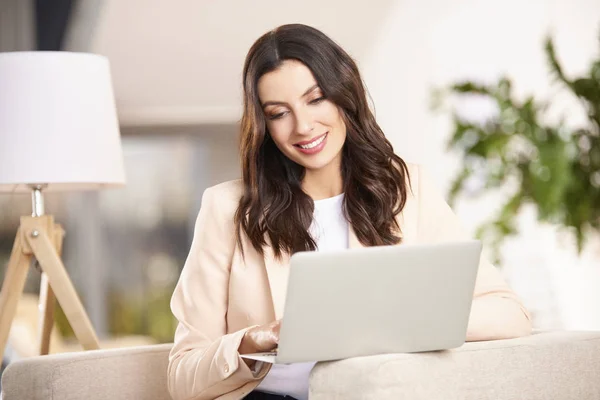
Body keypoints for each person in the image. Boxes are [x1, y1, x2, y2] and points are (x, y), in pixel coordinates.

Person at [167, 23, 532, 400]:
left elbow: (509, 313)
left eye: (316, 99)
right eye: (279, 113)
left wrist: (394, 319)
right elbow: (182, 376)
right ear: (264, 125)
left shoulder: (406, 189)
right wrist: (257, 339)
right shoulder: (227, 209)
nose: (303, 126)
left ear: (345, 95)